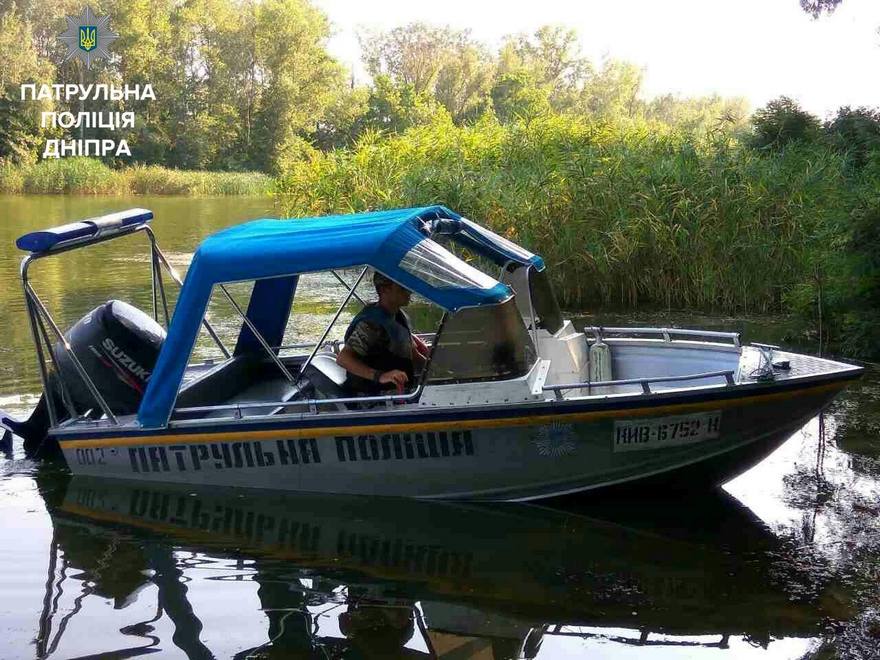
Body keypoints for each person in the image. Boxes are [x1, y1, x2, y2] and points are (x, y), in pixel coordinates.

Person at [336, 271, 430, 396]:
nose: (409, 291)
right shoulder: (371, 324)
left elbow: (412, 353)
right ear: (384, 289)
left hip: (402, 390)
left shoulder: (398, 316)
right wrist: (381, 376)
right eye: (402, 287)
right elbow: (343, 359)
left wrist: (435, 369)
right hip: (375, 396)